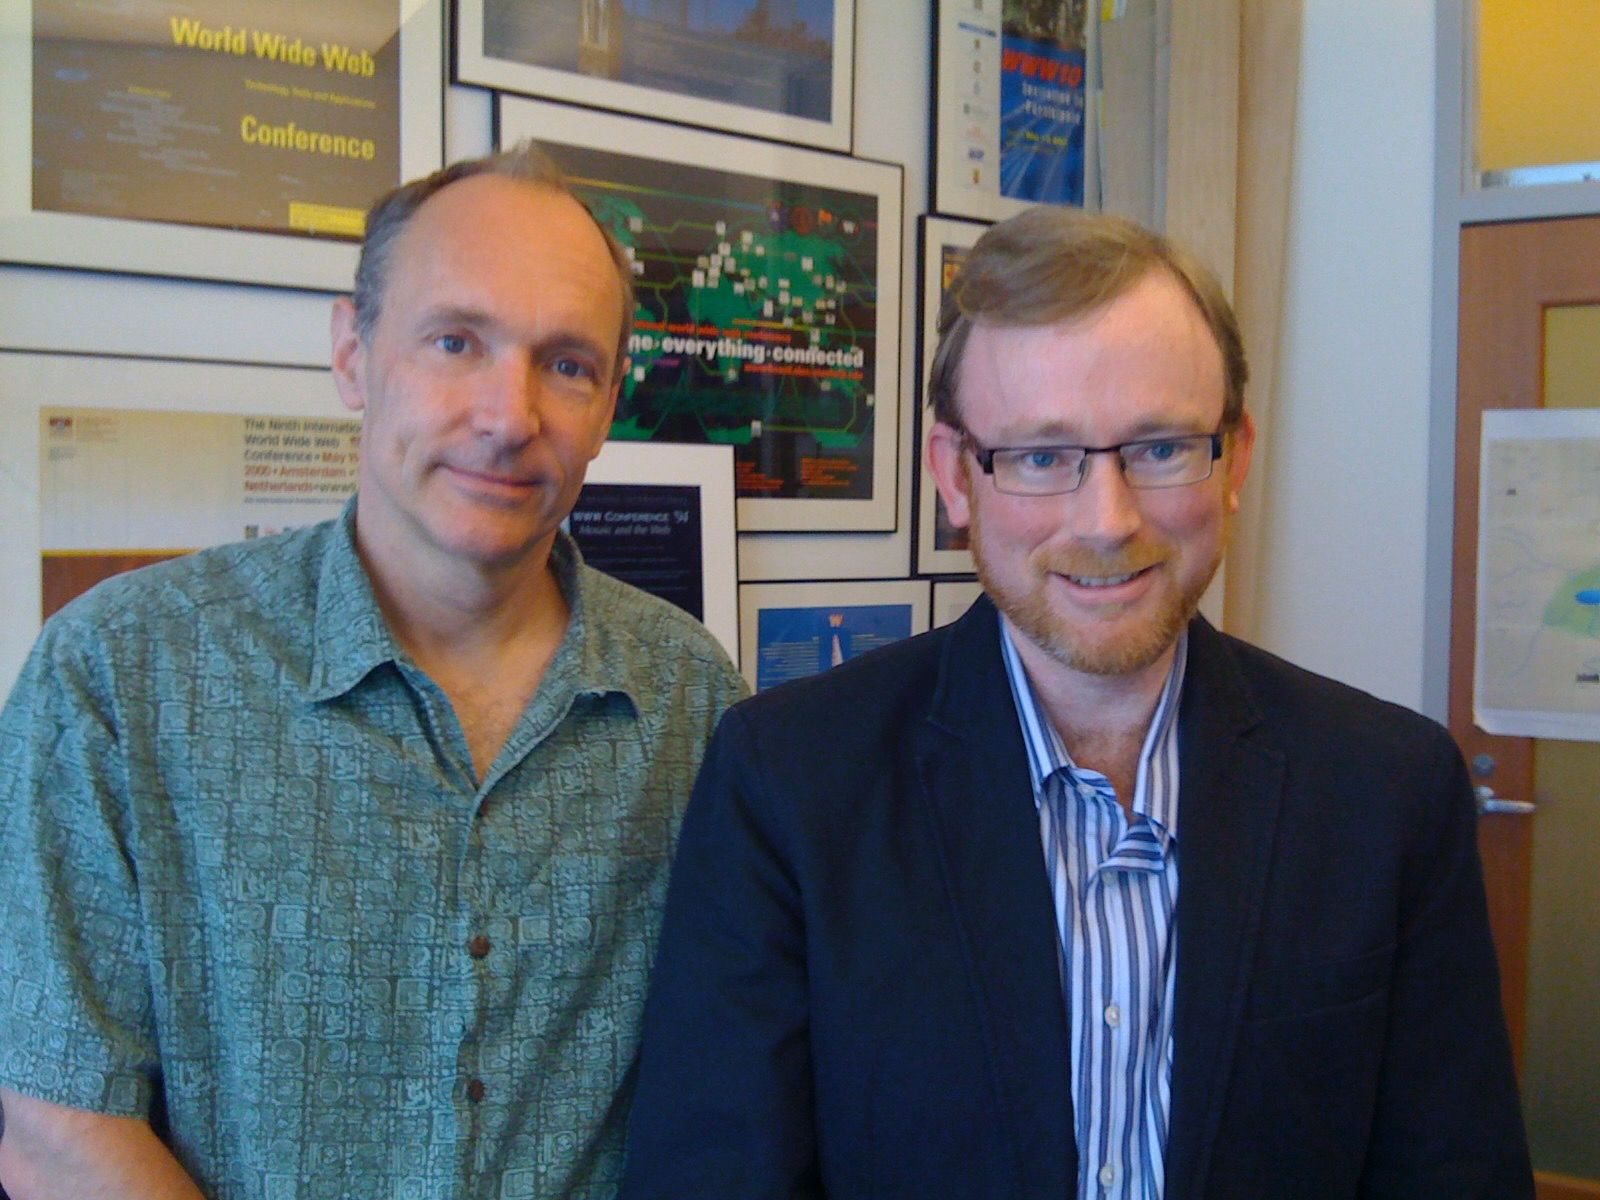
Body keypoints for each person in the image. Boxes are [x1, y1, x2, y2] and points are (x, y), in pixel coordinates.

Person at [621, 207, 1532, 1199]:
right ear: (954, 479)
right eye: (1041, 456)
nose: (1107, 521)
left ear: (1234, 461)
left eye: (1160, 447)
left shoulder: (1387, 792)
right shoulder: (790, 782)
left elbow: (1453, 1174)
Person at [0, 143, 745, 1199]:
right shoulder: (121, 675)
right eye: (455, 341)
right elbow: (56, 1126)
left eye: (566, 363)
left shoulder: (692, 699)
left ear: (610, 403)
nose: (507, 416)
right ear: (353, 353)